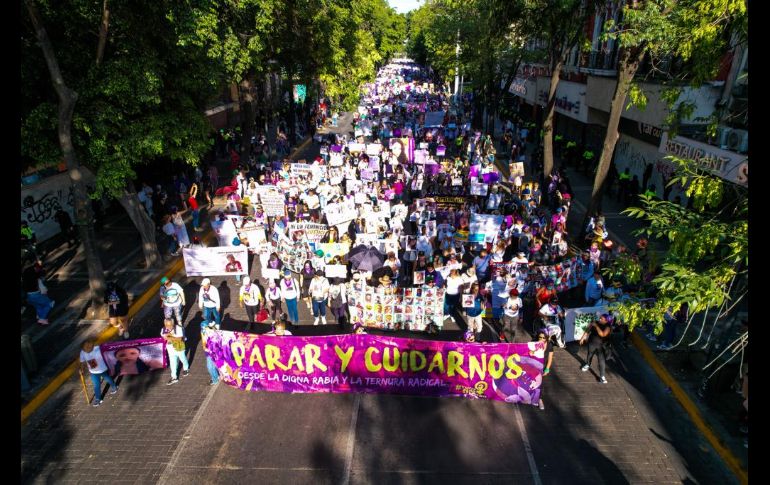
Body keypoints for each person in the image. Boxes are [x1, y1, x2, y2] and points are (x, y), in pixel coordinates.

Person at [80, 339, 118, 406]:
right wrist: (81, 369)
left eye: (88, 349)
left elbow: (109, 349)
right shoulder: (82, 352)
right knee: (96, 385)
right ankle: (98, 399)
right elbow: (82, 361)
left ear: (92, 346)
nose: (86, 351)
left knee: (108, 379)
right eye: (85, 349)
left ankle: (114, 386)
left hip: (102, 369)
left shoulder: (99, 349)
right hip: (93, 372)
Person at [580, 313, 612, 383]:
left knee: (601, 361)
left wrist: (596, 326)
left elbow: (603, 334)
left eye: (601, 319)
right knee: (589, 355)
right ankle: (587, 364)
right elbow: (588, 330)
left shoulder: (608, 327)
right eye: (600, 318)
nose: (599, 319)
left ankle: (602, 376)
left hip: (601, 346)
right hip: (592, 343)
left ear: (606, 321)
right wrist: (582, 338)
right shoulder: (595, 323)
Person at [161, 318, 190, 385]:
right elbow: (164, 338)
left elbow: (179, 339)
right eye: (167, 325)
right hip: (170, 348)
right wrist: (172, 338)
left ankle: (186, 368)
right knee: (172, 362)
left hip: (179, 347)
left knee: (182, 358)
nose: (168, 327)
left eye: (170, 325)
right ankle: (174, 377)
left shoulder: (178, 328)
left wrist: (170, 337)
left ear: (173, 324)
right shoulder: (163, 330)